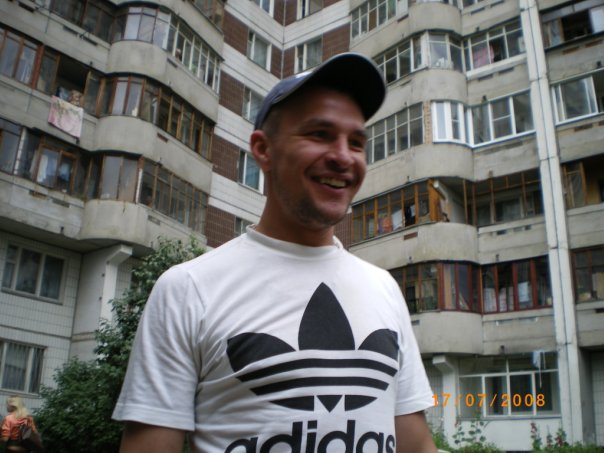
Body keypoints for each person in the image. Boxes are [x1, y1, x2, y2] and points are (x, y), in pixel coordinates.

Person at [113, 52, 437, 453]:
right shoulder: (188, 289)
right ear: (263, 149)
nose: (343, 156)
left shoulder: (384, 288)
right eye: (319, 134)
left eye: (356, 142)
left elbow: (416, 445)